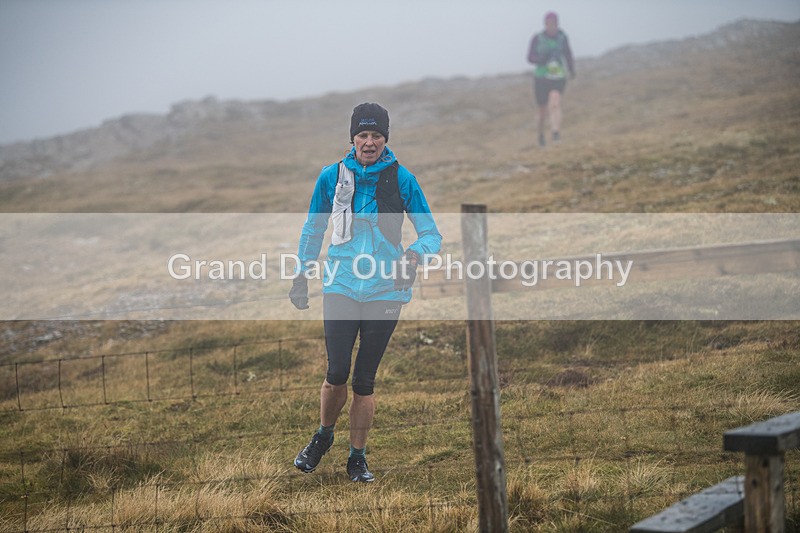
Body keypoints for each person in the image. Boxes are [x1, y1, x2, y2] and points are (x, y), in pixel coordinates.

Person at [288, 102, 442, 482]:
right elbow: (313, 229)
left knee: (364, 381)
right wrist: (300, 274)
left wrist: (413, 255)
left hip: (385, 290)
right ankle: (323, 436)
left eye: (376, 135)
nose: (369, 142)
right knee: (337, 371)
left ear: (385, 138)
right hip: (341, 284)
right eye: (363, 135)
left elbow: (432, 235)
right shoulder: (332, 177)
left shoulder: (403, 179)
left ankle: (357, 458)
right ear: (352, 138)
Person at [527, 11, 576, 147]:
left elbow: (568, 54)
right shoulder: (537, 39)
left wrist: (571, 69)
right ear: (545, 24)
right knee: (542, 110)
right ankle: (541, 134)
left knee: (555, 102)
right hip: (541, 77)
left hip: (558, 76)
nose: (552, 26)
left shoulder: (562, 38)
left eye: (554, 24)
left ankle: (556, 134)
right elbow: (530, 57)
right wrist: (541, 59)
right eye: (549, 24)